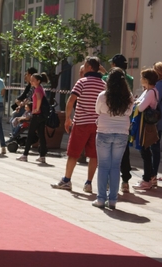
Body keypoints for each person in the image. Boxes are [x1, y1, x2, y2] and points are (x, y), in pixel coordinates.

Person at [51, 56, 105, 192]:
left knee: (73, 153)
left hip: (81, 123)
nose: (84, 67)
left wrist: (68, 118)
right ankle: (88, 183)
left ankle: (67, 180)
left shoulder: (82, 82)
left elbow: (71, 100)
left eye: (85, 65)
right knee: (94, 155)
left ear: (90, 67)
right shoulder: (104, 84)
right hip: (98, 124)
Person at [92, 67, 134, 209]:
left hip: (104, 131)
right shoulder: (129, 97)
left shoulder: (103, 95)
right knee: (115, 166)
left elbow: (97, 110)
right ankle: (113, 200)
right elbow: (129, 112)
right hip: (122, 133)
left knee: (103, 166)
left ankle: (101, 198)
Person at [101, 54, 134, 192]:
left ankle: (107, 184)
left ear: (114, 64)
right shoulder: (130, 79)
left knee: (107, 157)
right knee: (124, 153)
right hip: (124, 121)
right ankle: (125, 180)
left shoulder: (105, 79)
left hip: (107, 122)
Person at [131, 68, 159, 190]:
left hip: (145, 126)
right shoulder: (148, 90)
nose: (140, 79)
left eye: (142, 77)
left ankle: (146, 179)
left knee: (145, 152)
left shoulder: (151, 92)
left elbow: (140, 107)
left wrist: (136, 104)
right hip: (144, 125)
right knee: (145, 151)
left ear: (147, 80)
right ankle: (151, 176)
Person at [16, 72, 49, 163]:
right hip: (41, 115)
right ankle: (42, 156)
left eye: (33, 80)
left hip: (37, 115)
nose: (31, 81)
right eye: (31, 80)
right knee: (41, 135)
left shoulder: (38, 89)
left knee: (30, 134)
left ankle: (25, 155)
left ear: (38, 81)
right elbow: (31, 98)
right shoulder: (39, 88)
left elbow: (38, 98)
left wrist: (36, 109)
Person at [152, 62, 162, 187]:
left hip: (159, 121)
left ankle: (153, 174)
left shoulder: (159, 85)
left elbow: (156, 101)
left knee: (155, 148)